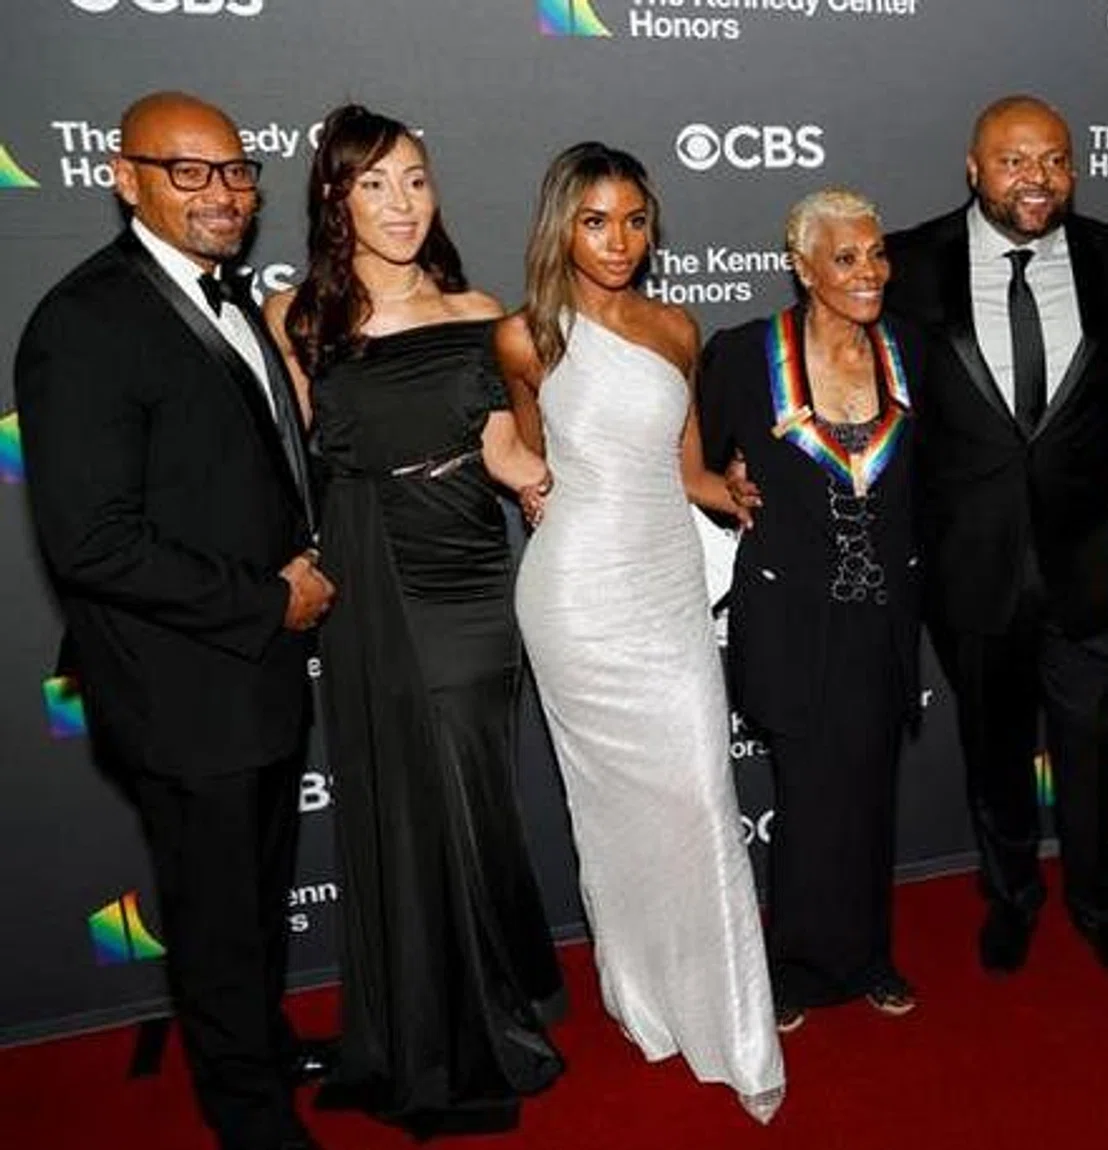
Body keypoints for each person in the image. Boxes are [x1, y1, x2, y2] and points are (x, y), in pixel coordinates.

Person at [14, 91, 332, 1150]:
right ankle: (250, 1116)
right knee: (213, 912)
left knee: (252, 897)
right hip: (179, 683)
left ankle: (258, 1046)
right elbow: (92, 541)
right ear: (124, 176)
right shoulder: (86, 321)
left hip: (258, 670)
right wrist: (267, 597)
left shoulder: (229, 295)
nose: (223, 192)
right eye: (188, 171)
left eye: (236, 171)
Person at [262, 104, 563, 1137]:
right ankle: (441, 1035)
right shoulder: (298, 317)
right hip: (375, 566)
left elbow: (506, 452)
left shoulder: (481, 308)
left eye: (416, 180)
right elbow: (286, 464)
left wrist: (570, 492)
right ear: (336, 197)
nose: (400, 203)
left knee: (475, 792)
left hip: (476, 574)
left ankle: (495, 991)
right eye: (375, 183)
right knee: (412, 795)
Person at [498, 142, 784, 1123]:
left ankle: (735, 1022)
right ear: (560, 227)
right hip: (577, 595)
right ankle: (642, 995)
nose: (618, 241)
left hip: (666, 587)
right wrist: (534, 484)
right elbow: (536, 455)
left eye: (633, 220)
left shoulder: (674, 325)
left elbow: (686, 463)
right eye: (594, 221)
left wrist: (731, 491)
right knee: (608, 812)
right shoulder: (526, 337)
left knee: (703, 795)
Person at [885, 94, 1108, 980]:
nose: (1035, 178)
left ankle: (1098, 902)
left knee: (1095, 752)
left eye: (1053, 160)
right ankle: (1010, 900)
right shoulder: (907, 263)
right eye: (1013, 160)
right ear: (973, 167)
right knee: (994, 754)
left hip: (1089, 562)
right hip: (971, 565)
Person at [697, 189, 924, 1032]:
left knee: (869, 793)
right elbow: (694, 461)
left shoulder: (909, 352)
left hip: (882, 616)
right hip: (790, 614)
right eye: (845, 258)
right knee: (804, 796)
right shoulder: (744, 354)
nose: (867, 273)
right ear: (802, 266)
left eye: (876, 255)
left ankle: (870, 955)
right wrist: (726, 489)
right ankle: (792, 966)